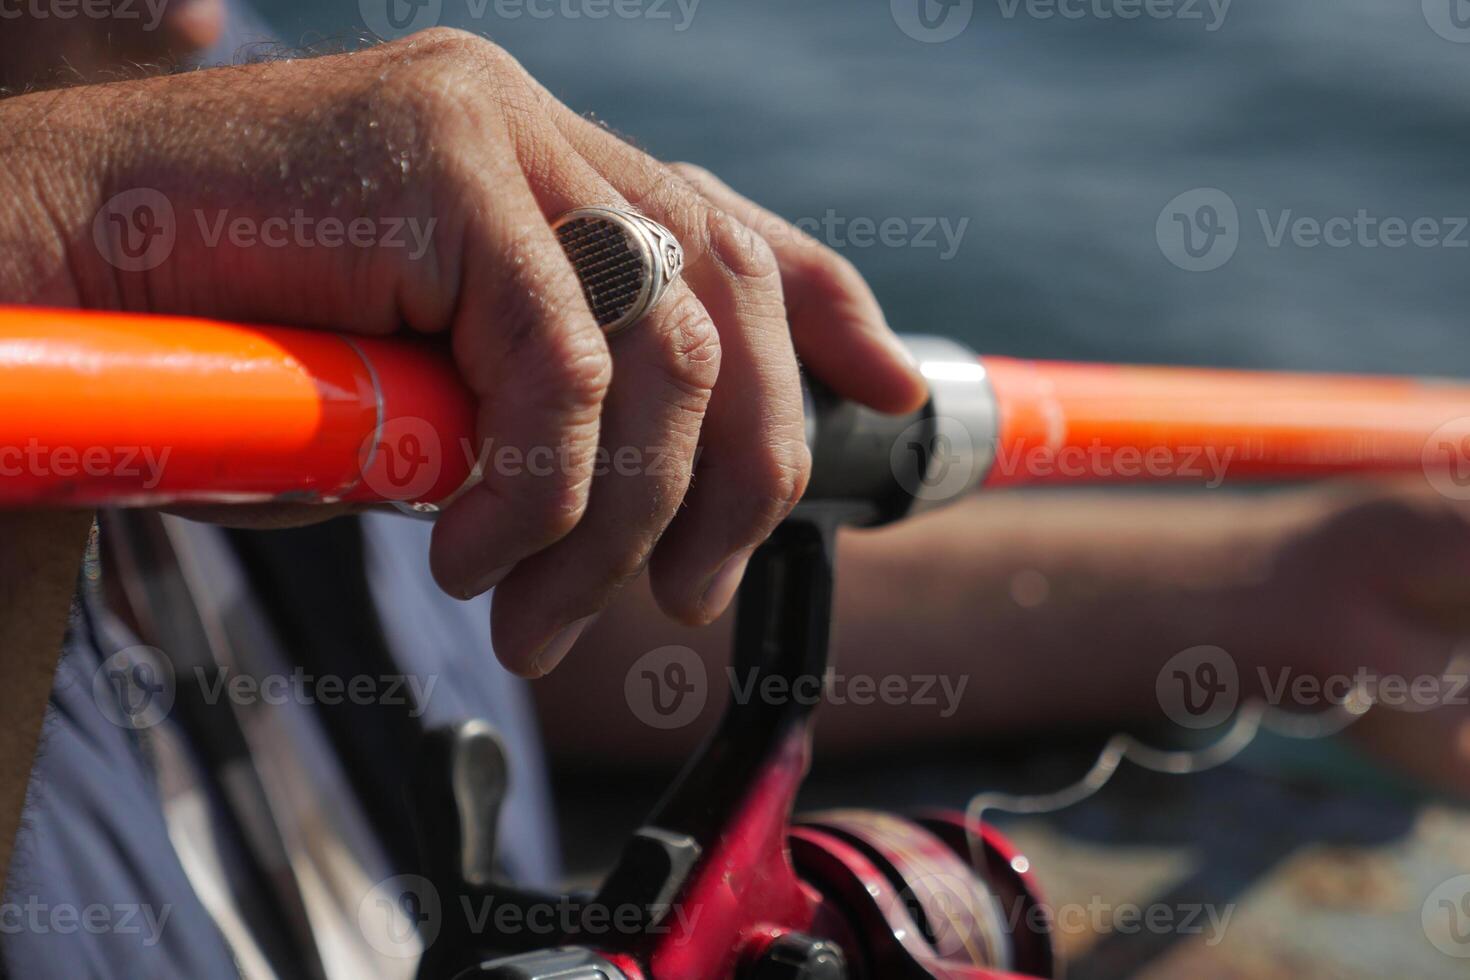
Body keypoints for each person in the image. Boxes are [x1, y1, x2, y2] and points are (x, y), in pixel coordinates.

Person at [2, 9, 1468, 978]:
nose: (194, 17)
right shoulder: (93, 150)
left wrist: (1274, 591)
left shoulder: (156, 76)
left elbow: (537, 608)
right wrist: (52, 225)